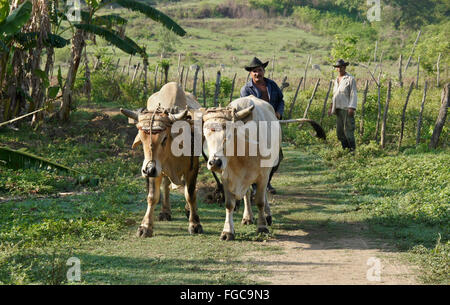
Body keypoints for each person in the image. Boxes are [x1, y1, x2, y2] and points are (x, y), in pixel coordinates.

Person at [240, 57, 284, 194]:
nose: (257, 73)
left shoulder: (272, 85)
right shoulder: (246, 89)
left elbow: (281, 100)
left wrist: (278, 112)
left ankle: (266, 182)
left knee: (277, 156)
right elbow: (245, 108)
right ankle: (255, 186)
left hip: (272, 123)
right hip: (254, 127)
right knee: (256, 156)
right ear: (250, 74)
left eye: (259, 70)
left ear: (263, 71)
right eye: (254, 71)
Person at [328, 59, 357, 151]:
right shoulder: (336, 80)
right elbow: (334, 95)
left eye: (341, 67)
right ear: (336, 69)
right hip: (338, 108)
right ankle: (346, 150)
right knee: (340, 133)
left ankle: (352, 152)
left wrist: (351, 107)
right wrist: (331, 107)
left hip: (347, 108)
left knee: (348, 131)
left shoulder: (350, 79)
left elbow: (354, 93)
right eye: (338, 67)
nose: (339, 69)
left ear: (345, 67)